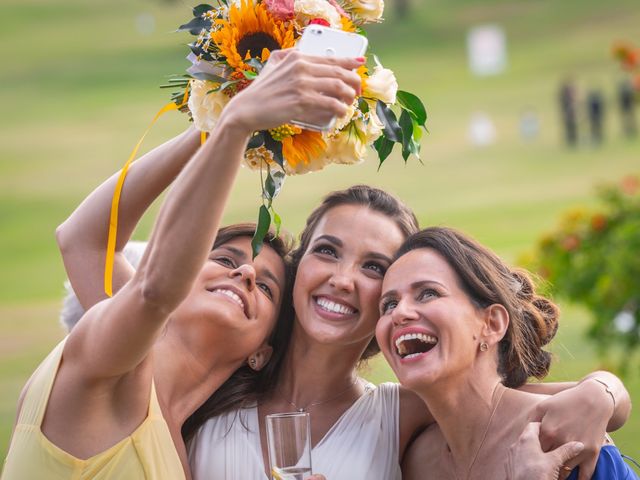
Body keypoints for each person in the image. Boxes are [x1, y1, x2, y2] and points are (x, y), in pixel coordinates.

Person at [2, 49, 363, 480]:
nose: (245, 273)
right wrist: (221, 124)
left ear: (262, 352)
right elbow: (93, 247)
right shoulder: (109, 364)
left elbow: (102, 254)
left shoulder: (187, 453)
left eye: (266, 287)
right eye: (225, 259)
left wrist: (233, 119)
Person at [376, 227, 636, 479]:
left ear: (492, 324)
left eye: (428, 293)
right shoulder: (415, 462)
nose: (399, 313)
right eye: (389, 304)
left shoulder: (559, 436)